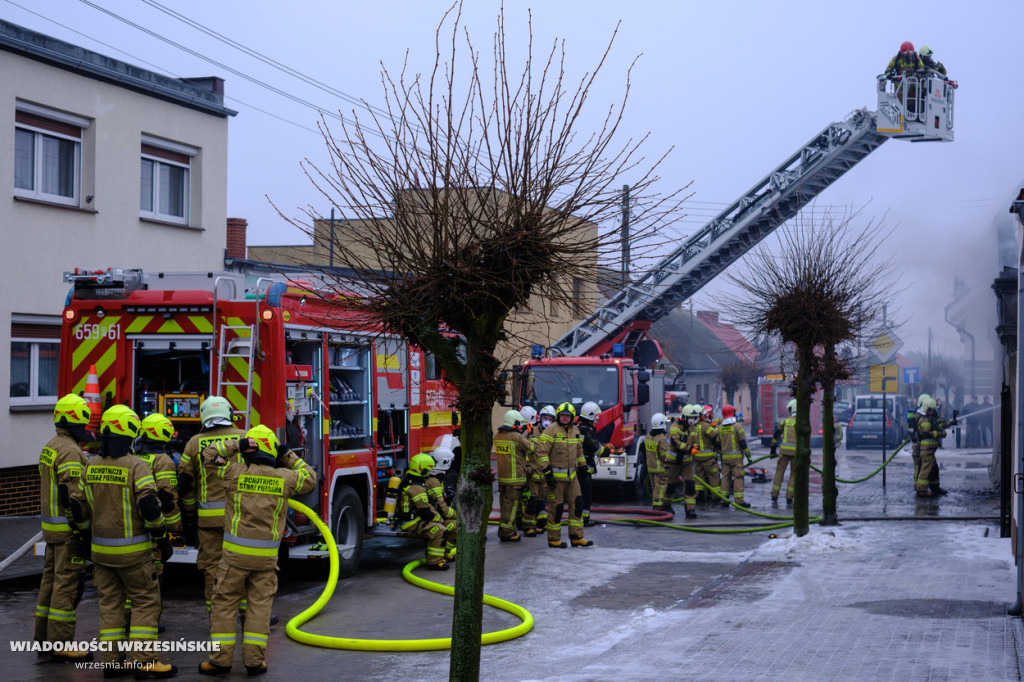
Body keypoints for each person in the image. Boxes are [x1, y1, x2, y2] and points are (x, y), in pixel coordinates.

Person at [198, 425, 315, 676]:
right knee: (259, 607)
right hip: (266, 560)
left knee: (224, 605)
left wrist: (236, 445)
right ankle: (254, 662)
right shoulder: (284, 477)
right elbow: (310, 477)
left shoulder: (235, 472)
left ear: (248, 452)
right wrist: (286, 453)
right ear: (272, 453)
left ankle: (220, 661)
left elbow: (207, 455)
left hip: (233, 558)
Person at [70, 405, 177, 678]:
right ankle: (145, 662)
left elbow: (78, 507)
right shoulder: (136, 465)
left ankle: (113, 663)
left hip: (101, 555)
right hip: (136, 555)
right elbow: (150, 508)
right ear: (129, 432)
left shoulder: (91, 465)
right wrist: (162, 537)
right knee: (145, 603)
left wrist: (84, 536)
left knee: (110, 607)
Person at [34, 394, 92, 662]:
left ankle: (43, 639)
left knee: (50, 583)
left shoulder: (52, 445)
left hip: (52, 530)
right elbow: (73, 495)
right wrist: (83, 529)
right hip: (69, 531)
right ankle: (61, 644)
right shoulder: (69, 450)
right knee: (66, 586)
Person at [177, 396, 245, 613]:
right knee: (242, 565)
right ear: (229, 414)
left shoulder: (194, 443)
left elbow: (186, 484)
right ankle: (246, 612)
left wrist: (188, 513)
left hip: (208, 522)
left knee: (212, 568)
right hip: (241, 518)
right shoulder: (246, 438)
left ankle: (216, 615)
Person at [132, 414, 182, 631]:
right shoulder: (164, 461)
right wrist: (174, 530)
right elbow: (168, 500)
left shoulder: (134, 456)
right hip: (154, 529)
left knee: (133, 578)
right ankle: (150, 622)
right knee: (154, 576)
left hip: (133, 526)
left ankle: (128, 618)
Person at [536, 402, 592, 548]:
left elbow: (579, 452)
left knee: (578, 505)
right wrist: (547, 472)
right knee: (557, 508)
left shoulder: (576, 431)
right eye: (563, 415)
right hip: (555, 480)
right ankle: (554, 539)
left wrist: (583, 468)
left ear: (572, 417)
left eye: (568, 416)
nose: (565, 418)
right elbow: (541, 452)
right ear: (559, 416)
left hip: (572, 478)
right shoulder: (550, 430)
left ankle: (577, 536)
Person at [394, 453, 450, 569]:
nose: (429, 473)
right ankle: (434, 562)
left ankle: (441, 554)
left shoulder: (413, 481)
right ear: (422, 470)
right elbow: (426, 511)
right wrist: (440, 521)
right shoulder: (416, 488)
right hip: (411, 523)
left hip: (415, 519)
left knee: (446, 526)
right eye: (428, 470)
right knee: (440, 530)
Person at [493, 410, 532, 542]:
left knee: (505, 506)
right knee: (513, 507)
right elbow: (530, 448)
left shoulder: (497, 435)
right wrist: (528, 434)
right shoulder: (516, 436)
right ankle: (507, 533)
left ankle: (504, 529)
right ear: (515, 423)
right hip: (516, 480)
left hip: (503, 478)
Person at [576, 401, 608, 527]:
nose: (598, 417)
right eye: (596, 415)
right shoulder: (587, 430)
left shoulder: (581, 428)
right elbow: (596, 449)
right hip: (585, 466)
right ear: (591, 415)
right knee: (586, 493)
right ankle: (584, 519)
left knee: (583, 492)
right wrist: (609, 451)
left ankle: (583, 518)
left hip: (582, 466)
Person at [424, 446, 457, 559]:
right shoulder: (434, 481)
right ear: (445, 462)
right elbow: (443, 509)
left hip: (432, 516)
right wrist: (458, 515)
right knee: (458, 525)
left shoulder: (435, 476)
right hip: (431, 518)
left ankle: (444, 552)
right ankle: (438, 557)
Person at [916, 396, 952, 497]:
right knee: (926, 469)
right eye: (934, 408)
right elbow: (927, 434)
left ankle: (935, 487)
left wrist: (950, 423)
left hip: (930, 449)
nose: (935, 410)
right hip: (926, 449)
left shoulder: (929, 418)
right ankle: (921, 490)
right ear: (929, 409)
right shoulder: (924, 420)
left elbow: (939, 425)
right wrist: (941, 434)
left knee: (934, 469)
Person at [718, 404, 752, 508]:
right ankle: (739, 501)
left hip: (725, 459)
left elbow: (718, 445)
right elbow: (743, 443)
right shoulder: (737, 426)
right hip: (737, 460)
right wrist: (748, 456)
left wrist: (721, 455)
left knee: (725, 478)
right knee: (738, 478)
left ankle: (724, 500)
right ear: (732, 413)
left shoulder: (720, 428)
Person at [517, 406, 544, 536]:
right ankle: (528, 526)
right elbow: (532, 450)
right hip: (529, 472)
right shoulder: (524, 434)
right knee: (529, 500)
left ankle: (531, 525)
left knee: (534, 500)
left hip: (533, 471)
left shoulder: (528, 431)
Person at [669, 406, 699, 518]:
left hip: (687, 462)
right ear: (685, 417)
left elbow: (696, 442)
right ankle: (666, 505)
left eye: (694, 417)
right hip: (674, 461)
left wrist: (696, 447)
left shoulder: (693, 428)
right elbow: (675, 442)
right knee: (670, 485)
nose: (692, 419)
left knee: (690, 485)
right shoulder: (675, 426)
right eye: (690, 417)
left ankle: (690, 509)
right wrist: (689, 448)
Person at [690, 404, 722, 507]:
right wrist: (717, 427)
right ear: (707, 414)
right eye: (712, 413)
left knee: (700, 479)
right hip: (708, 459)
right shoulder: (705, 426)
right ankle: (716, 498)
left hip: (698, 458)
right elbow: (714, 434)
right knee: (714, 477)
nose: (713, 414)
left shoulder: (695, 426)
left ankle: (699, 497)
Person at [769, 398, 798, 506]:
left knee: (779, 473)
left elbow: (776, 434)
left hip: (784, 452)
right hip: (796, 453)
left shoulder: (785, 421)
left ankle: (774, 496)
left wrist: (772, 449)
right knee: (794, 475)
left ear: (791, 409)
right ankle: (789, 498)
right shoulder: (801, 421)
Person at [884, 41, 925, 113]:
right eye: (906, 55)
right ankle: (899, 114)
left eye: (909, 55)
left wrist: (923, 73)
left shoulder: (916, 58)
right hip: (900, 84)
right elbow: (888, 68)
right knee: (899, 101)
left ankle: (913, 113)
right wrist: (889, 75)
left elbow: (922, 68)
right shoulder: (896, 58)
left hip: (913, 83)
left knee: (913, 99)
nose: (908, 56)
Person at [644, 413, 672, 513]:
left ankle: (656, 504)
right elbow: (664, 455)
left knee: (654, 487)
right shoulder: (662, 438)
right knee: (660, 486)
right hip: (660, 467)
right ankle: (658, 506)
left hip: (651, 467)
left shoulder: (648, 436)